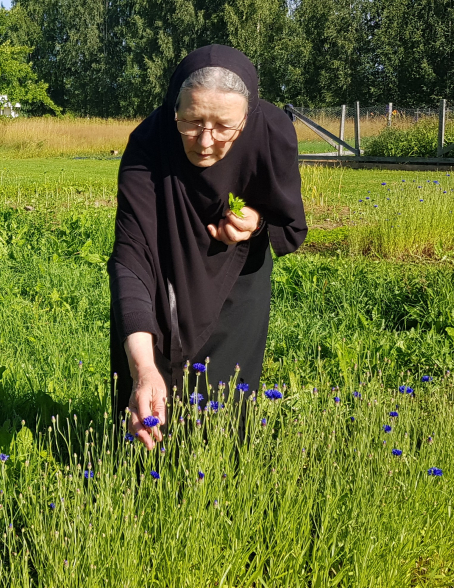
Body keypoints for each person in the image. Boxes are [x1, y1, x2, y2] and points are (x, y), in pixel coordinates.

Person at [107, 45, 307, 450]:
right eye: (191, 122)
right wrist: (143, 368)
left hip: (238, 279)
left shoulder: (271, 134)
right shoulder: (148, 145)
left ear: (247, 120)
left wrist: (255, 223)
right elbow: (131, 260)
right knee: (147, 387)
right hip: (159, 274)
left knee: (223, 404)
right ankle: (139, 482)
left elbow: (288, 222)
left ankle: (214, 488)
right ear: (173, 110)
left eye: (223, 126)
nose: (205, 141)